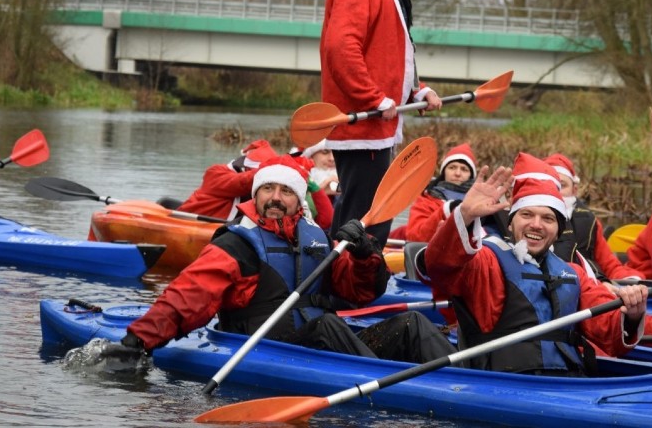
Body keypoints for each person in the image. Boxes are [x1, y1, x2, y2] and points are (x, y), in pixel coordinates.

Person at [103, 156, 454, 364]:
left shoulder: (318, 239)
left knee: (412, 323)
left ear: (298, 201)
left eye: (286, 191)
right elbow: (189, 295)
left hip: (321, 347)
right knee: (329, 326)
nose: (275, 197)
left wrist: (366, 255)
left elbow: (361, 292)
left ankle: (464, 376)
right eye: (268, 189)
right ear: (255, 195)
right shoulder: (238, 245)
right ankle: (392, 382)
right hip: (265, 348)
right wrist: (139, 341)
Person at [425, 163, 649, 375]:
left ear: (558, 230)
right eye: (527, 214)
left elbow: (609, 332)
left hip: (567, 382)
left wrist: (632, 314)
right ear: (510, 223)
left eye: (548, 218)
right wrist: (465, 215)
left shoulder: (574, 273)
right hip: (502, 381)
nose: (536, 224)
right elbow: (441, 265)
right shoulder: (487, 261)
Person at [320, 0, 442, 248]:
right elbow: (341, 50)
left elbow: (392, 56)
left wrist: (415, 93)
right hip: (363, 123)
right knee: (366, 218)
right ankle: (344, 290)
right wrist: (372, 98)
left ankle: (349, 283)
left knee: (368, 214)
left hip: (378, 124)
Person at [543, 153, 645, 284]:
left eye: (562, 185)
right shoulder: (527, 221)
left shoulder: (588, 222)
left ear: (574, 190)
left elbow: (610, 266)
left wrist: (631, 281)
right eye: (550, 184)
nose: (556, 191)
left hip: (587, 289)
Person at [178, 139, 277, 220]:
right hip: (188, 222)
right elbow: (243, 182)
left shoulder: (266, 189)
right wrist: (275, 169)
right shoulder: (215, 172)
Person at [406, 143, 477, 242]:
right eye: (452, 167)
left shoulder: (480, 202)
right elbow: (415, 236)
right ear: (444, 172)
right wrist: (446, 210)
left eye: (464, 169)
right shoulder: (426, 199)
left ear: (471, 175)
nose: (457, 173)